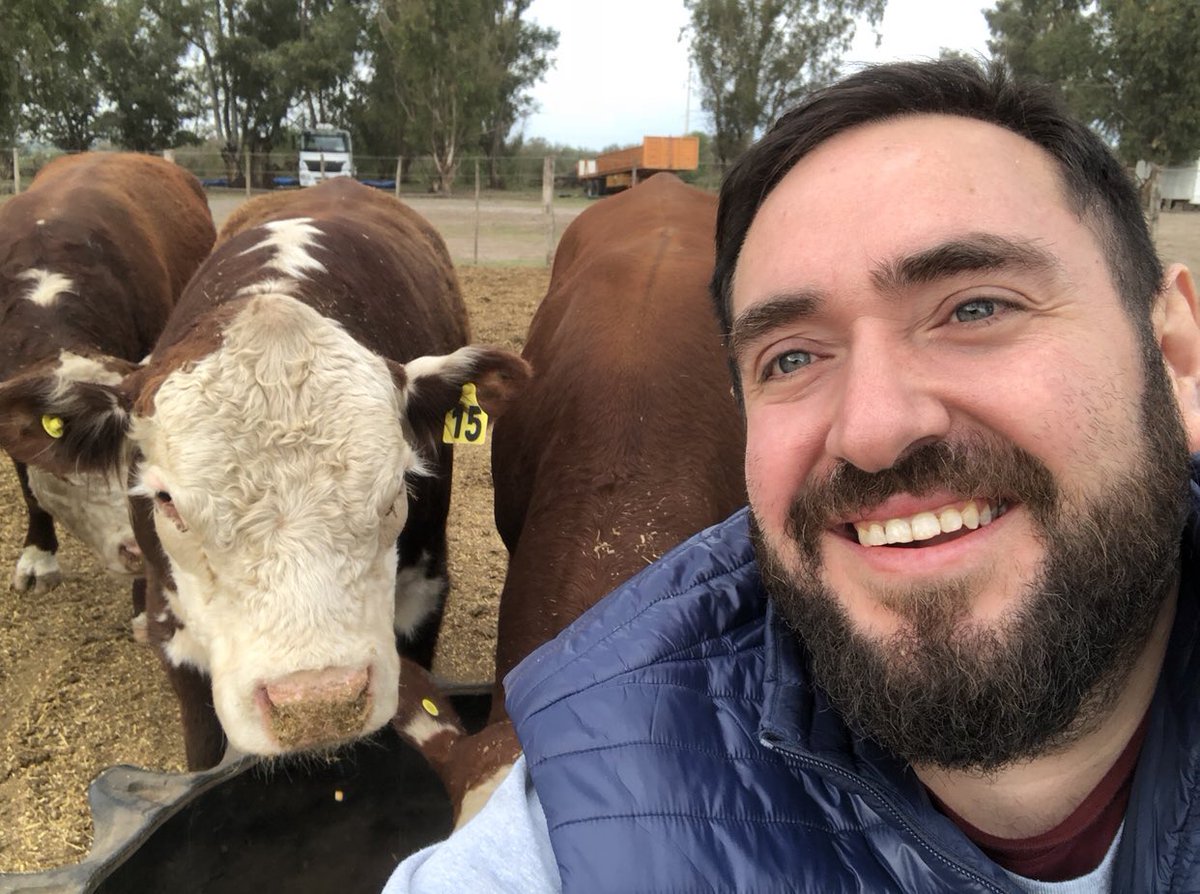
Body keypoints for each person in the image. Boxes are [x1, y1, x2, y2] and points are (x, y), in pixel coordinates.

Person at [383, 57, 1200, 893]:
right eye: (793, 356)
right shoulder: (575, 818)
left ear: (1176, 355)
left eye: (977, 307)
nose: (874, 430)